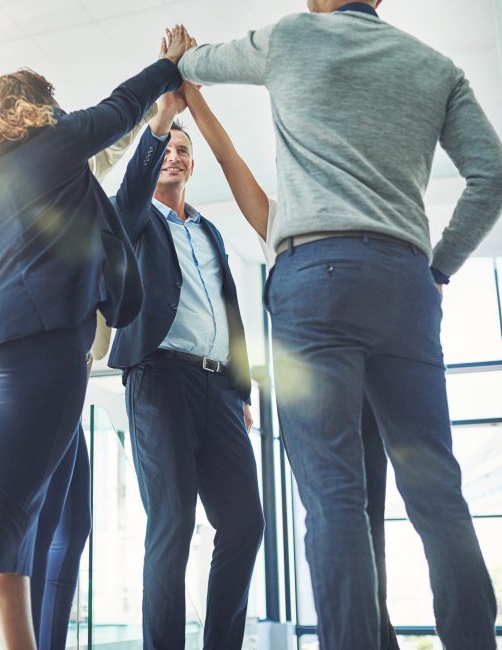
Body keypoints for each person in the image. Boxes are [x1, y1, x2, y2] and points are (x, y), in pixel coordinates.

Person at [178, 2, 502, 648]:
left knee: (334, 499)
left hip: (314, 282)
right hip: (404, 284)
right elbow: (492, 175)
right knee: (436, 488)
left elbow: (194, 62)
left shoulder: (291, 37)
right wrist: (436, 268)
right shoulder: (436, 67)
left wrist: (182, 55)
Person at [0, 29, 189, 649]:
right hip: (38, 349)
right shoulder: (54, 146)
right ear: (30, 108)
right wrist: (168, 67)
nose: (57, 110)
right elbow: (124, 105)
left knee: (16, 519)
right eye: (48, 101)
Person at [182, 80, 399, 649]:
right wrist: (194, 97)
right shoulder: (282, 225)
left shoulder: (363, 225)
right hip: (315, 400)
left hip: (368, 393)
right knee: (329, 519)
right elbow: (228, 159)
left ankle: (374, 632)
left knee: (366, 522)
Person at [107, 55, 265, 650]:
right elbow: (122, 202)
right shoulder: (137, 220)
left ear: (193, 164)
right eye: (167, 148)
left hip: (218, 390)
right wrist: (167, 112)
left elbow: (231, 312)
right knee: (171, 524)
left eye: (183, 151)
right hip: (159, 379)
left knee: (246, 524)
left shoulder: (209, 231)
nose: (175, 155)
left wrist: (241, 390)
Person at [27, 101, 186, 650]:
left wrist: (157, 121)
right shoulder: (34, 188)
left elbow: (109, 150)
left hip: (72, 369)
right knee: (43, 527)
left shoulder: (77, 189)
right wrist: (159, 103)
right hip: (39, 373)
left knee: (70, 531)